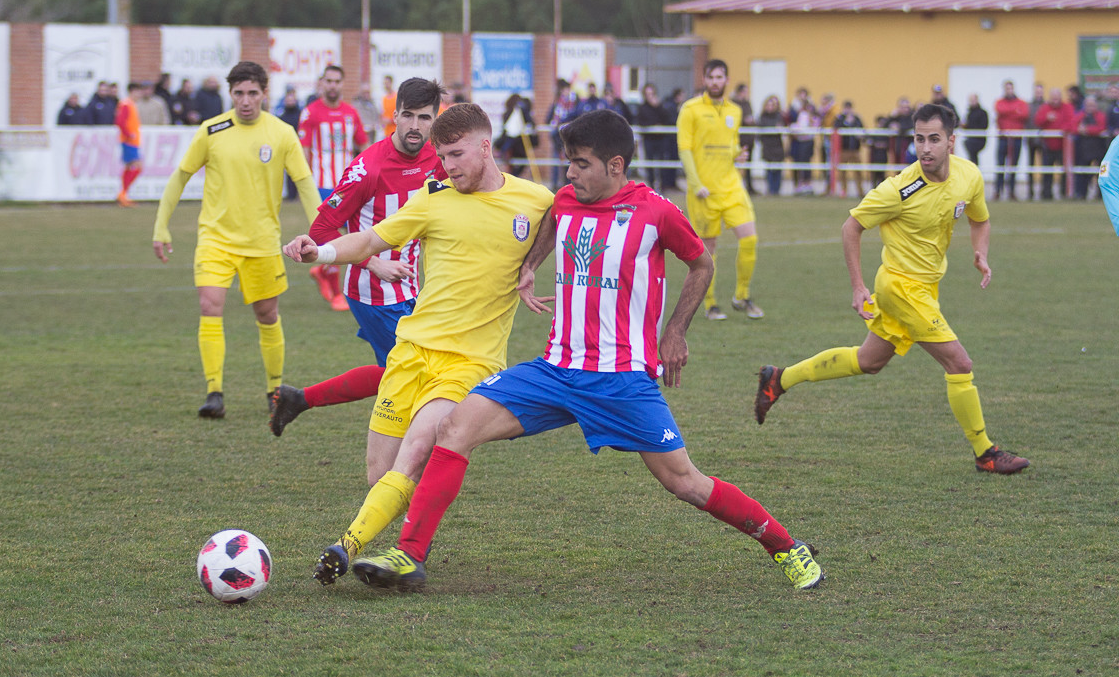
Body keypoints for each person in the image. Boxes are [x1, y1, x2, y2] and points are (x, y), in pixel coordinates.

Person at [349, 109, 824, 593]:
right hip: (555, 370)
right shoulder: (567, 200)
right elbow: (553, 220)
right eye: (567, 163)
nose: (569, 174)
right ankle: (409, 556)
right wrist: (530, 264)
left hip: (621, 379)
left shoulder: (655, 210)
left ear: (615, 165)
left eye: (579, 164)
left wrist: (676, 332)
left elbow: (700, 263)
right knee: (454, 428)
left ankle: (785, 546)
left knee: (685, 483)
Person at [280, 103, 554, 586]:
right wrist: (319, 250)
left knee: (417, 449)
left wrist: (532, 265)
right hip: (409, 354)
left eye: (455, 155)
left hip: (468, 363)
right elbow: (368, 242)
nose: (447, 167)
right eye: (442, 157)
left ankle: (345, 549)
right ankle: (396, 539)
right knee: (380, 476)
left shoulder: (536, 200)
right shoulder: (433, 200)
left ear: (486, 147)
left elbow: (576, 220)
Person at [754, 103, 1030, 476]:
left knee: (869, 362)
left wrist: (980, 252)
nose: (926, 148)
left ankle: (779, 378)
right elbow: (851, 227)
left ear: (952, 140)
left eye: (934, 139)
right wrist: (857, 287)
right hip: (900, 288)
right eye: (919, 139)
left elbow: (980, 219)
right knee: (959, 363)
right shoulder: (899, 189)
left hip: (926, 287)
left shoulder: (969, 176)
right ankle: (986, 452)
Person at [269, 78, 447, 436]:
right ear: (393, 115)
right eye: (408, 116)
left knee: (398, 373)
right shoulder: (369, 168)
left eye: (424, 118)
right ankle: (406, 461)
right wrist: (374, 262)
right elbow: (320, 232)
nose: (415, 126)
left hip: (411, 289)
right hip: (373, 293)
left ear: (435, 119)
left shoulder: (436, 157)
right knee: (417, 379)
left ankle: (298, 399)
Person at [152, 61, 321, 418]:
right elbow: (179, 177)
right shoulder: (212, 130)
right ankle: (214, 392)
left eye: (253, 93)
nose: (246, 100)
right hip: (215, 239)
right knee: (210, 307)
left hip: (262, 243)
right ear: (231, 94)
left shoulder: (281, 133)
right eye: (239, 93)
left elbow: (305, 184)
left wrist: (321, 235)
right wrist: (161, 226)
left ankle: (274, 389)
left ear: (264, 93)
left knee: (267, 314)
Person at [677, 59, 763, 320]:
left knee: (749, 238)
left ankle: (742, 296)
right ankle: (710, 304)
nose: (716, 82)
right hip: (704, 191)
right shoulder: (690, 109)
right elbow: (685, 149)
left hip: (731, 186)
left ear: (726, 80)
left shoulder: (734, 111)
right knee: (708, 250)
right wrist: (696, 184)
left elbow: (730, 143)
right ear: (705, 80)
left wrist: (738, 154)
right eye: (711, 77)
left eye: (720, 77)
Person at [298, 64, 370, 311]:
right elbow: (303, 151)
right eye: (328, 81)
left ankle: (323, 268)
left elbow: (364, 145)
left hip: (348, 185)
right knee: (336, 237)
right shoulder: (311, 113)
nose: (332, 85)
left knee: (349, 237)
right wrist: (305, 182)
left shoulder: (351, 113)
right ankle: (338, 293)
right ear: (322, 83)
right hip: (321, 185)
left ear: (342, 83)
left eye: (337, 81)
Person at [1033, 88, 1074, 200]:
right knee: (1047, 170)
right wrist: (1047, 118)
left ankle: (1064, 193)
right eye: (1053, 97)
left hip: (1063, 146)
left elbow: (1071, 122)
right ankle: (1046, 194)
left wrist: (1062, 130)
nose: (1055, 100)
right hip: (1047, 145)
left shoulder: (1067, 107)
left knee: (1064, 171)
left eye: (1057, 97)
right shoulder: (1045, 108)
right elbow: (1037, 121)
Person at [994, 80, 1029, 201]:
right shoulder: (1000, 102)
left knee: (1013, 165)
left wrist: (1008, 113)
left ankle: (1012, 192)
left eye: (1011, 88)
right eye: (1007, 88)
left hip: (1016, 138)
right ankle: (997, 191)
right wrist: (1014, 111)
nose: (1009, 91)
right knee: (1000, 165)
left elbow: (1024, 114)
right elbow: (1000, 110)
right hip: (1003, 138)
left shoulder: (1021, 102)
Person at [114, 82, 146, 207]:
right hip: (129, 141)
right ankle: (123, 193)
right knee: (137, 166)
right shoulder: (126, 104)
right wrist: (128, 134)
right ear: (132, 91)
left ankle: (123, 194)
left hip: (132, 141)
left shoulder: (131, 104)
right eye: (138, 91)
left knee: (129, 167)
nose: (139, 94)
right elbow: (120, 121)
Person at [1072, 95, 1108, 199]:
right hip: (1083, 148)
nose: (1090, 108)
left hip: (1098, 147)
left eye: (1092, 105)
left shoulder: (1101, 116)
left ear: (1096, 106)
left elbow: (1102, 127)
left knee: (1100, 172)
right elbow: (1073, 127)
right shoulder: (1080, 116)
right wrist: (1080, 130)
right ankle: (1081, 193)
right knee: (1082, 171)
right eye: (1088, 105)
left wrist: (1087, 130)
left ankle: (1100, 195)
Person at [545, 79, 578, 187]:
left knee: (567, 161)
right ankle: (555, 184)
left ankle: (567, 184)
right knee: (556, 161)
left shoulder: (573, 103)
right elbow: (549, 118)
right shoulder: (557, 104)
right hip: (557, 137)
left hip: (568, 137)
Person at [497, 92, 537, 178]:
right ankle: (512, 176)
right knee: (516, 163)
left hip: (516, 144)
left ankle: (512, 177)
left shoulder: (515, 112)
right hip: (517, 144)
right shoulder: (514, 113)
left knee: (514, 164)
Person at [275, 89, 304, 201]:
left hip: (297, 146)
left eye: (292, 100)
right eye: (288, 100)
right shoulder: (281, 115)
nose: (290, 102)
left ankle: (296, 194)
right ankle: (287, 194)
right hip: (284, 146)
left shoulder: (300, 115)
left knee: (296, 171)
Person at [833, 100, 866, 198]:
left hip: (855, 150)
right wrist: (846, 122)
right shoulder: (840, 119)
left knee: (858, 171)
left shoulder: (856, 118)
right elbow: (836, 129)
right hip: (844, 149)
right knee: (842, 172)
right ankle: (844, 191)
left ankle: (860, 191)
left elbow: (862, 129)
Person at [757, 95, 786, 195]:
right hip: (767, 146)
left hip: (777, 146)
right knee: (769, 169)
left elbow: (782, 128)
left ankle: (776, 190)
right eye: (768, 105)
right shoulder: (762, 117)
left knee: (778, 169)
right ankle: (770, 189)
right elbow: (762, 128)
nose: (770, 107)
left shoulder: (779, 116)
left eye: (772, 105)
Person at [733, 83, 757, 195]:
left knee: (749, 164)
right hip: (739, 138)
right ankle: (735, 186)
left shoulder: (747, 103)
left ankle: (749, 186)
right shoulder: (733, 104)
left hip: (749, 138)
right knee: (736, 164)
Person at [962, 94, 988, 166]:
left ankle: (974, 170)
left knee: (973, 156)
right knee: (972, 157)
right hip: (970, 139)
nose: (972, 102)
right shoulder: (969, 113)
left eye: (974, 100)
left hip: (979, 139)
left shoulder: (982, 113)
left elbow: (984, 126)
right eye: (971, 100)